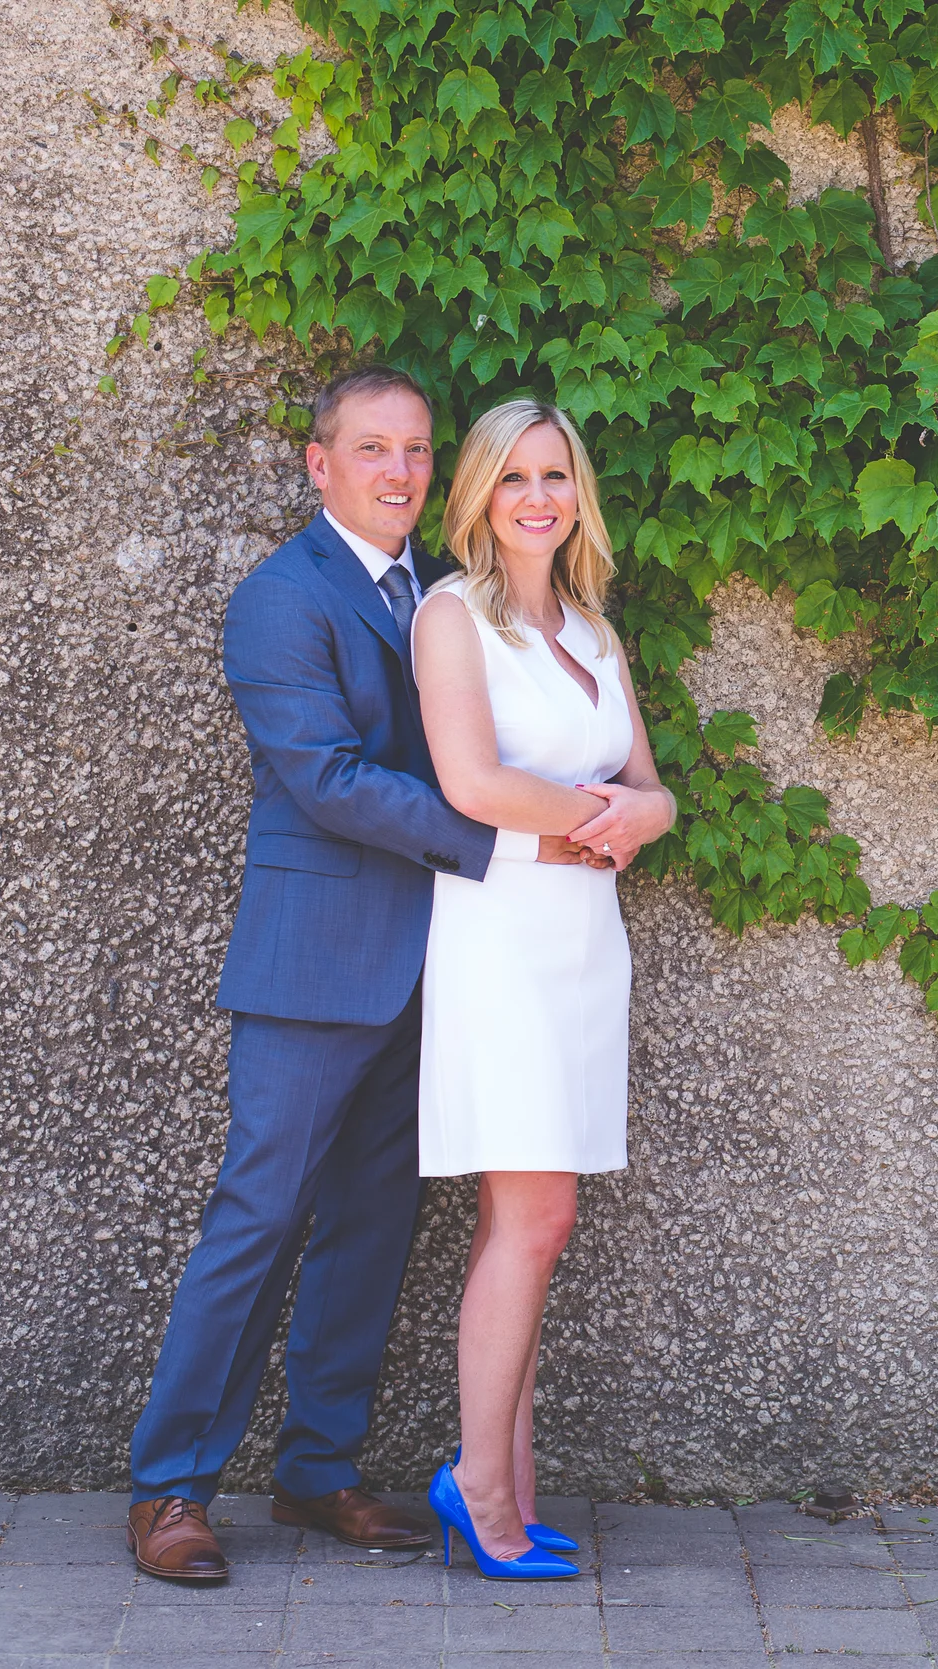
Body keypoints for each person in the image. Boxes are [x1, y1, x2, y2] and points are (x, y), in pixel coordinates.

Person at [125, 367, 601, 1583]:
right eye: (372, 448)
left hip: (439, 966)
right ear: (318, 462)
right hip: (314, 963)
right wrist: (510, 833)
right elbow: (328, 779)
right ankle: (170, 1485)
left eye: (416, 451)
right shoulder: (281, 600)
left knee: (372, 1231)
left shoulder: (445, 598)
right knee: (260, 1216)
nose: (398, 471)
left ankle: (316, 1472)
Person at [411, 398, 674, 1579]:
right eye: (513, 476)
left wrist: (645, 813)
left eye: (555, 475)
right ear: (477, 494)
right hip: (502, 935)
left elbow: (650, 788)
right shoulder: (448, 617)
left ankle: (501, 1480)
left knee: (521, 1225)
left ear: (578, 493)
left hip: (583, 940)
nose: (536, 496)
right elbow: (470, 782)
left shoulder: (595, 630)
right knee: (539, 1216)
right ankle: (479, 1487)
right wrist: (599, 821)